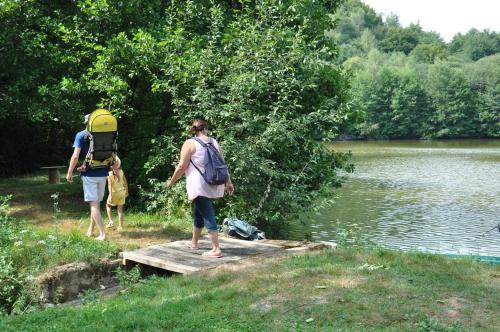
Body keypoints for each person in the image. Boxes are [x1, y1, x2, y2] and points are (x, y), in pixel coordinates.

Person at [166, 119, 234, 258]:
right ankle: (194, 243)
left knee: (207, 213)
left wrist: (171, 182)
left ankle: (216, 249)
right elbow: (223, 163)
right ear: (206, 129)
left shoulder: (189, 143)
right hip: (214, 182)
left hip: (199, 185)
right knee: (198, 211)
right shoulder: (214, 142)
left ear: (193, 130)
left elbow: (181, 167)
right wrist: (228, 182)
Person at [66, 114, 117, 240]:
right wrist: (115, 170)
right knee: (96, 204)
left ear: (86, 122)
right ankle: (91, 230)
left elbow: (75, 156)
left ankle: (102, 234)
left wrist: (69, 172)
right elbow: (113, 155)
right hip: (103, 173)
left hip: (89, 174)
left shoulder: (81, 135)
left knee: (94, 205)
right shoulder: (109, 134)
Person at [106, 156, 128, 231]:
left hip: (114, 193)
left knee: (108, 205)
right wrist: (127, 191)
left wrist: (111, 195)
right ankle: (120, 226)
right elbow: (125, 182)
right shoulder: (121, 172)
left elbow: (110, 185)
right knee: (120, 210)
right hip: (122, 192)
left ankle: (111, 221)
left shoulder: (109, 174)